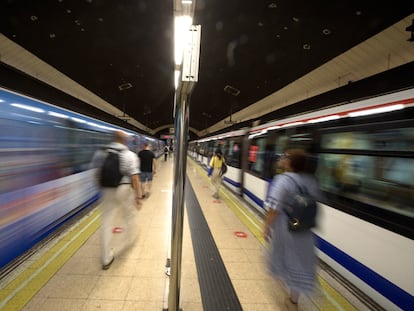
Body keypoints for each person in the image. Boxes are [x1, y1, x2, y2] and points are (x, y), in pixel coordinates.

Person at [263, 149, 321, 310]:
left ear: (290, 162)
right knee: (300, 264)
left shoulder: (283, 180)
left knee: (282, 258)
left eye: (285, 156)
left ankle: (286, 286)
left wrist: (266, 227)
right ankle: (293, 300)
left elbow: (273, 208)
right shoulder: (311, 180)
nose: (281, 158)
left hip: (286, 229)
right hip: (304, 230)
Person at [90, 131, 143, 270]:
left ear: (114, 139)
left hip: (107, 189)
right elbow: (135, 178)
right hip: (124, 188)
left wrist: (102, 190)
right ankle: (127, 241)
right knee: (128, 215)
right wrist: (138, 196)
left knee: (107, 222)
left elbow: (96, 174)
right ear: (125, 141)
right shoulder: (130, 155)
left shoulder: (101, 154)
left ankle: (106, 258)